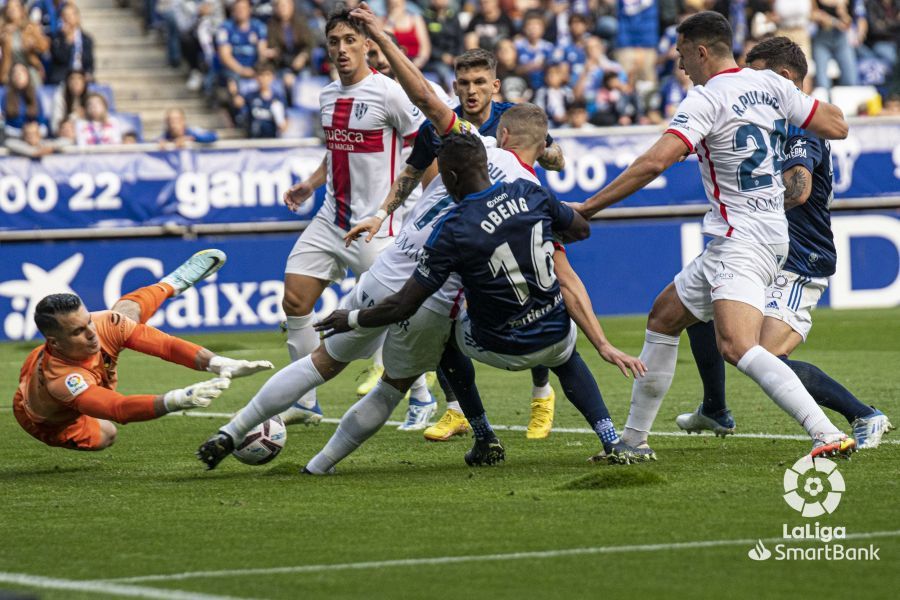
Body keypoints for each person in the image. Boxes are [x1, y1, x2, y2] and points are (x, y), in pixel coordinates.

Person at [572, 11, 855, 460]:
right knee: (664, 318)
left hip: (742, 237)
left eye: (683, 54)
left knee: (737, 346)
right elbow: (837, 126)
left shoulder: (705, 99)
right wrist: (782, 111)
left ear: (701, 51)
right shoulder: (773, 87)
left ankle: (825, 433)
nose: (681, 65)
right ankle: (632, 442)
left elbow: (653, 163)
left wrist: (586, 207)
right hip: (762, 232)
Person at [677, 36, 894, 449]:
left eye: (756, 72)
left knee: (764, 355)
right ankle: (715, 409)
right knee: (697, 307)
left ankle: (864, 414)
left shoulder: (799, 126)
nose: (747, 82)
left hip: (799, 258)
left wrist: (748, 197)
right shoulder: (763, 119)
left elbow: (798, 188)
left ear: (784, 77)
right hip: (762, 250)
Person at [341, 46, 567, 439]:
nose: (471, 90)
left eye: (480, 82)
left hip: (515, 227)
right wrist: (381, 215)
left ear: (494, 85)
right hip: (463, 237)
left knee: (531, 302)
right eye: (463, 83)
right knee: (441, 323)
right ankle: (456, 409)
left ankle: (541, 395)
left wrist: (545, 152)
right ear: (454, 86)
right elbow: (410, 174)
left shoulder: (511, 119)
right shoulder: (439, 126)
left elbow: (557, 158)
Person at [274, 6, 425, 425]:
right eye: (334, 42)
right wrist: (310, 182)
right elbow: (335, 148)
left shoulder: (389, 92)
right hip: (329, 218)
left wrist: (411, 207)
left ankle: (422, 396)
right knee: (295, 300)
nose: (342, 49)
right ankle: (304, 402)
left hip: (376, 224)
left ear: (367, 46)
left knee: (397, 314)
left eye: (350, 41)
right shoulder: (326, 96)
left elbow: (424, 147)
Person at [13, 250, 273, 452]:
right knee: (107, 433)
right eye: (77, 331)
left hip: (85, 369)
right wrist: (177, 399)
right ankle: (170, 284)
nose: (91, 333)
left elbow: (166, 345)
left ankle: (172, 283)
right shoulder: (62, 381)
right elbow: (120, 409)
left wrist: (217, 362)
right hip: (49, 420)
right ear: (55, 342)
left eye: (88, 321)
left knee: (124, 317)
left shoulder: (100, 325)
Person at [0, 0, 49, 85]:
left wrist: (34, 44)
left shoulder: (30, 27)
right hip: (10, 69)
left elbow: (45, 46)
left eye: (15, 7)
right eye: (9, 8)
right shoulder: (3, 29)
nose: (12, 10)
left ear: (21, 10)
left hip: (29, 67)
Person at [235, 62, 288, 138]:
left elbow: (284, 125)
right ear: (256, 77)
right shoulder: (249, 97)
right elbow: (241, 116)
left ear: (272, 77)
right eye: (260, 75)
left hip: (272, 141)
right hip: (253, 141)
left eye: (267, 75)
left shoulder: (278, 98)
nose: (263, 78)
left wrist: (280, 120)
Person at [47, 3, 94, 85]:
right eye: (65, 15)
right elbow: (60, 59)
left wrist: (88, 73)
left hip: (81, 76)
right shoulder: (56, 39)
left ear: (77, 17)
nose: (67, 18)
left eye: (70, 15)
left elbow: (89, 63)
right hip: (62, 77)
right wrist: (67, 41)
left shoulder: (86, 39)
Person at [3, 62, 49, 138]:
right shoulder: (5, 94)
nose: (18, 75)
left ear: (28, 75)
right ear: (11, 77)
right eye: (15, 72)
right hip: (14, 134)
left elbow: (43, 120)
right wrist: (23, 132)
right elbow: (4, 124)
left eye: (22, 72)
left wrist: (34, 129)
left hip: (34, 134)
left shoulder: (36, 94)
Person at [383, 0, 430, 69]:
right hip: (394, 65)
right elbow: (384, 41)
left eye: (397, 4)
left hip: (416, 64)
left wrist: (414, 66)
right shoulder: (383, 22)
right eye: (391, 3)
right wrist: (391, 20)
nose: (394, 3)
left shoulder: (416, 19)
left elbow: (425, 49)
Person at [50, 69, 88, 136]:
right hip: (65, 136)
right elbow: (55, 127)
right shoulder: (59, 97)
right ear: (67, 82)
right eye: (72, 79)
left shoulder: (90, 97)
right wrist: (74, 116)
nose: (76, 82)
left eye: (80, 79)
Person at [4, 119, 71, 157]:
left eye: (34, 134)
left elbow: (67, 141)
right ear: (23, 136)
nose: (30, 136)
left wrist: (51, 148)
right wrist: (34, 152)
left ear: (39, 135)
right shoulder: (19, 144)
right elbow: (8, 142)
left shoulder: (44, 144)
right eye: (28, 134)